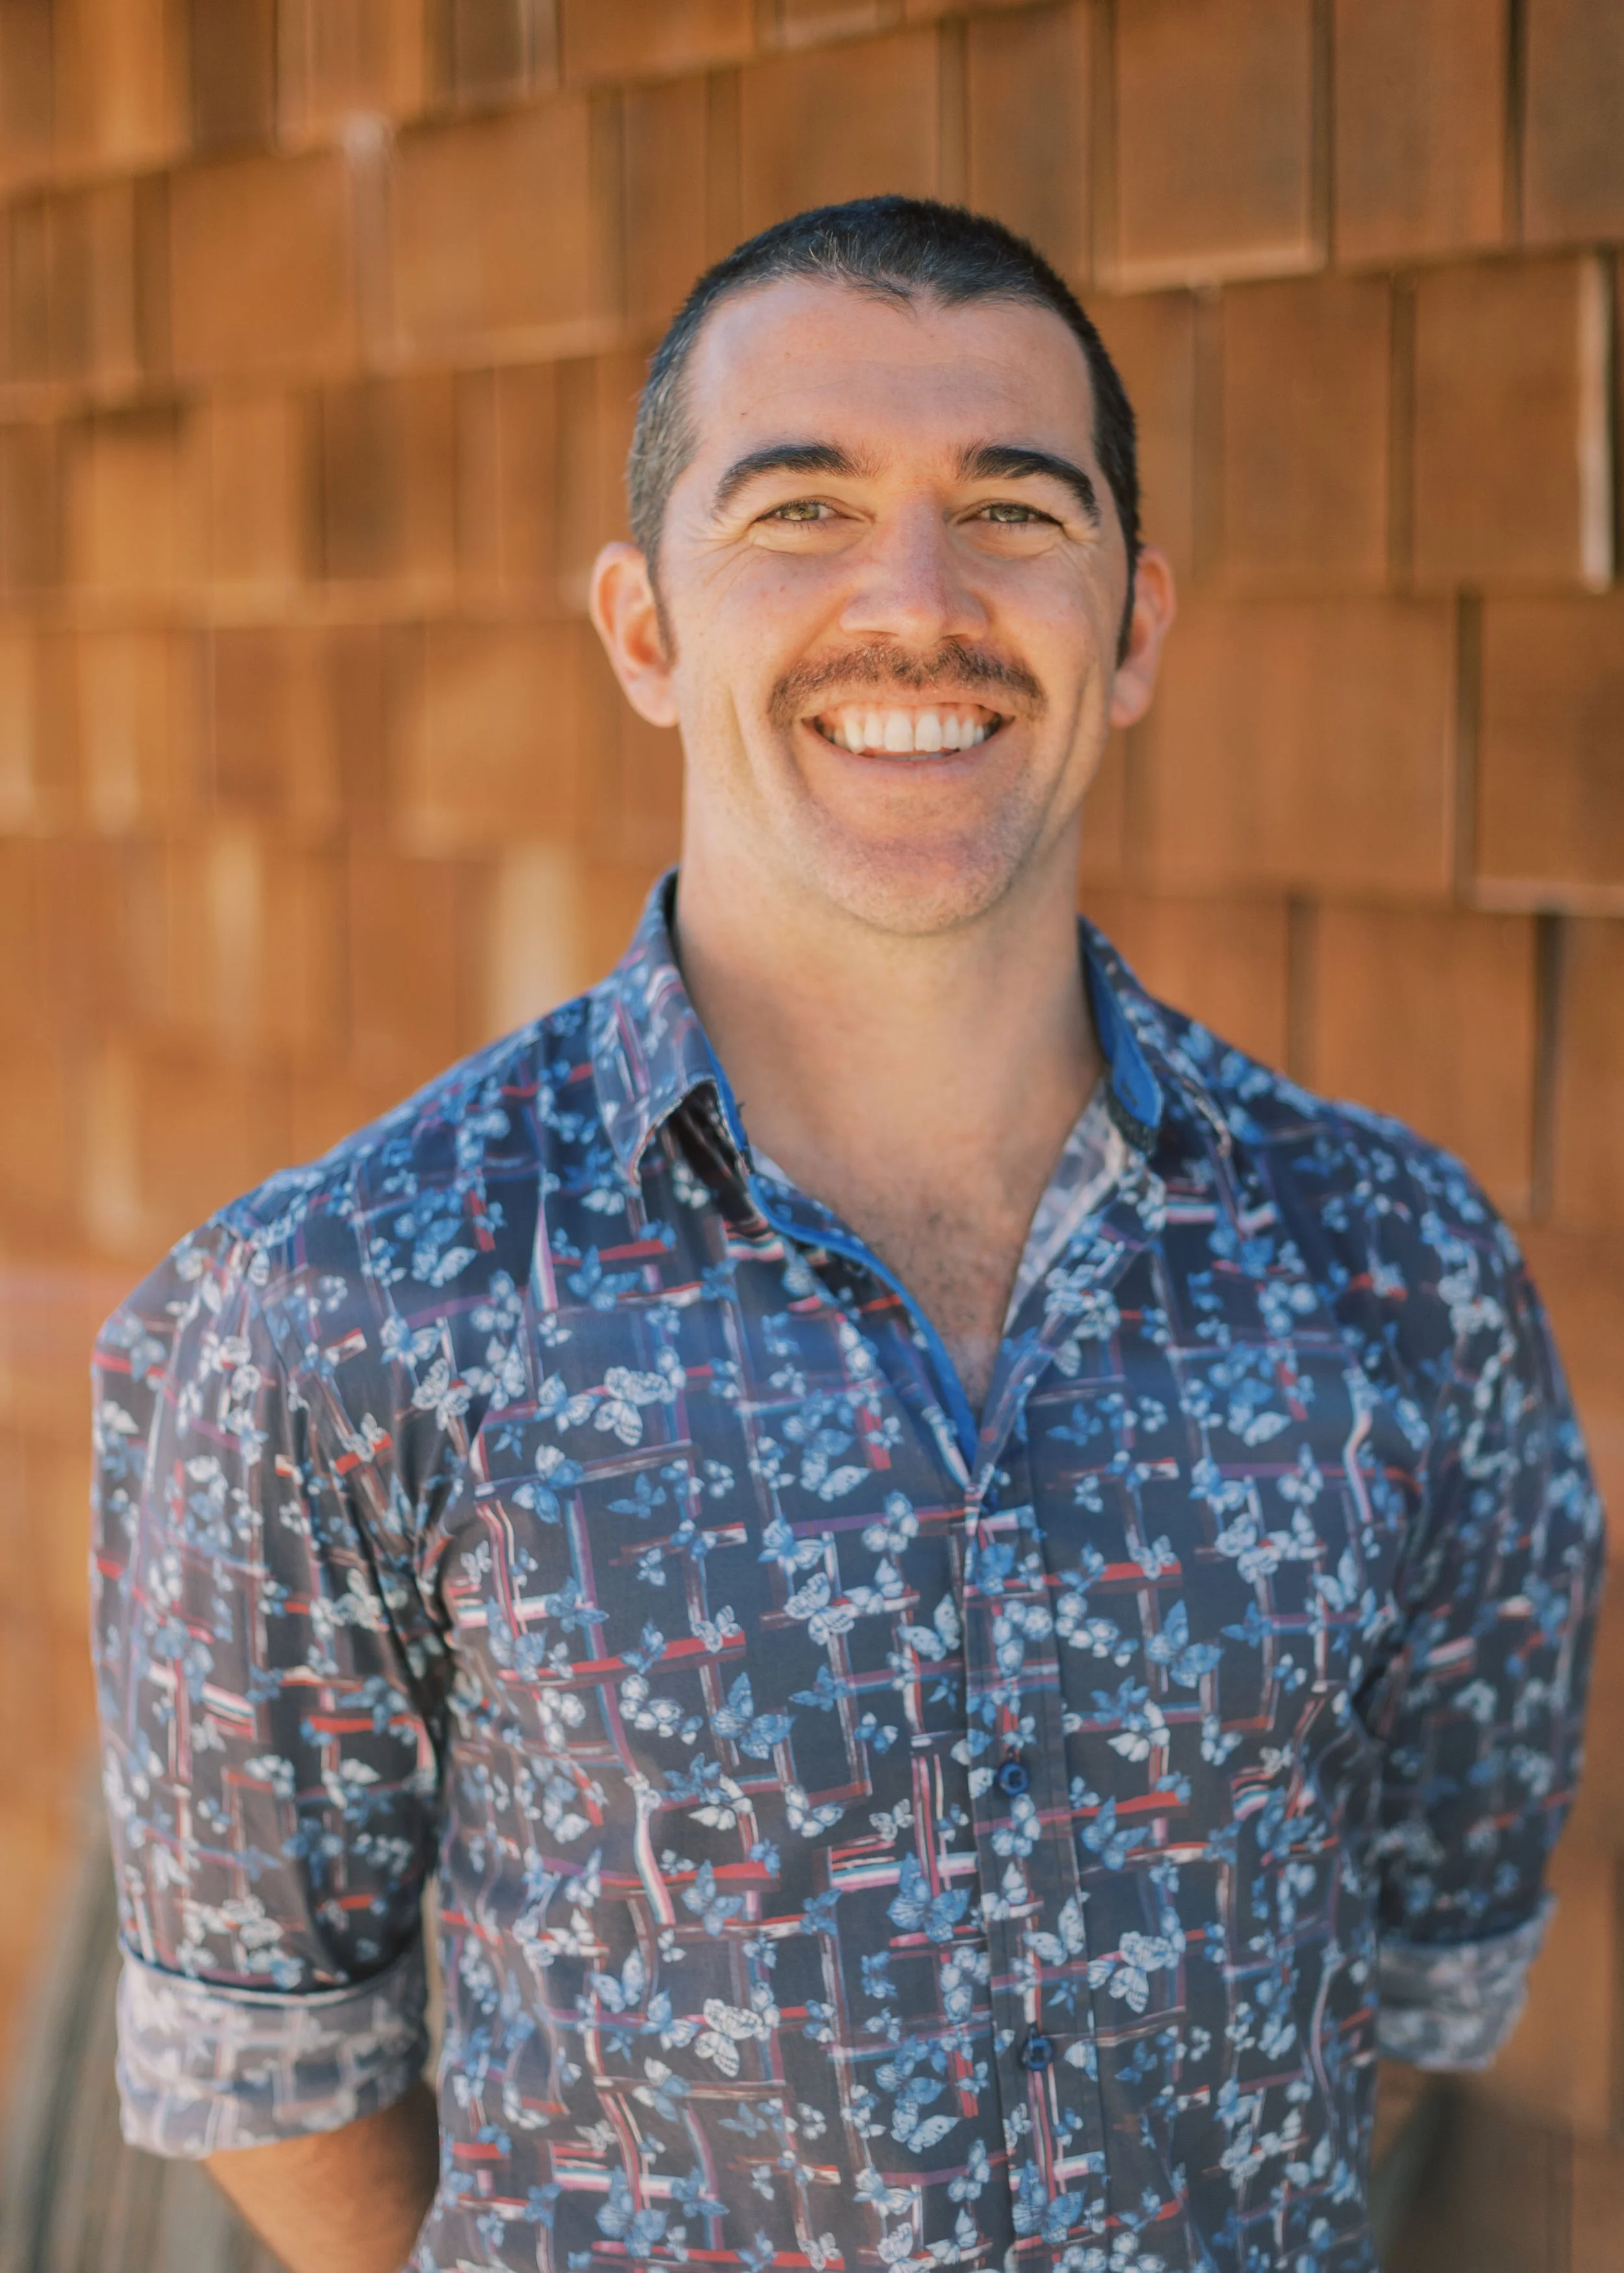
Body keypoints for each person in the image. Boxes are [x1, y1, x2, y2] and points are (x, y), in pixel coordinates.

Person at [90, 199, 1604, 2273]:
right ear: (644, 629)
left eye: (1011, 509)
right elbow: (269, 2061)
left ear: (1132, 624)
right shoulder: (343, 1303)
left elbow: (1424, 1976)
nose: (917, 601)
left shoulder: (1395, 1275)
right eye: (799, 509)